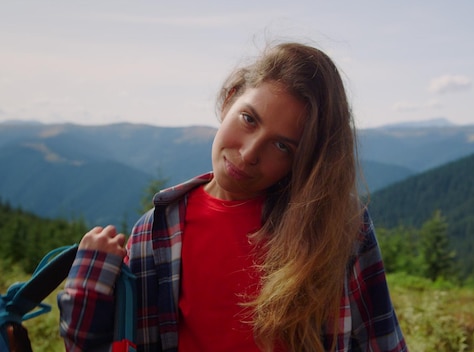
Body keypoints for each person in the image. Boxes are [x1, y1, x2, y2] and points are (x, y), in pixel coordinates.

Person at [58, 41, 406, 352]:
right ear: (230, 98)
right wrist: (89, 283)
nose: (251, 153)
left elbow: (381, 340)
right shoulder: (157, 231)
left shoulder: (336, 226)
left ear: (305, 160)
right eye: (249, 119)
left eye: (283, 146)